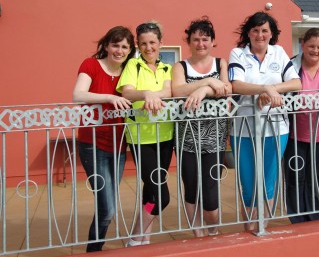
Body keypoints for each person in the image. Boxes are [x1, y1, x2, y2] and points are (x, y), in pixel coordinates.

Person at [228, 11, 301, 230]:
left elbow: (296, 83)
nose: (260, 35)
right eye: (255, 30)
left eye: (265, 30)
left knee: (268, 183)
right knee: (249, 184)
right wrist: (266, 89)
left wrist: (270, 90)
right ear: (248, 33)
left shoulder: (278, 53)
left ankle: (263, 227)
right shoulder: (238, 53)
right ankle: (250, 229)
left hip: (277, 128)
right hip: (243, 130)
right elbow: (236, 85)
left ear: (272, 34)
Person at [72, 26, 136, 252]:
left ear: (130, 51)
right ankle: (94, 250)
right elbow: (78, 94)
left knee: (104, 207)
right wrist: (109, 97)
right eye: (115, 45)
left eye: (125, 47)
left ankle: (94, 249)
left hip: (118, 145)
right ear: (107, 45)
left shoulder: (128, 72)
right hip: (93, 144)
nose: (119, 50)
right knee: (107, 208)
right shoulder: (91, 65)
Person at [116, 20, 175, 246]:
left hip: (166, 136)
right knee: (161, 195)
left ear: (161, 43)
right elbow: (128, 92)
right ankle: (135, 236)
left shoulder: (168, 68)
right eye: (143, 44)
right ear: (137, 46)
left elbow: (170, 91)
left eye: (152, 42)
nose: (148, 48)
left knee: (150, 192)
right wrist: (148, 93)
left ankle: (144, 239)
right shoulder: (133, 66)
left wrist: (153, 94)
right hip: (142, 137)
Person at [172, 16, 231, 237]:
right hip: (187, 138)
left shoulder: (220, 63)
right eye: (196, 39)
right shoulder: (180, 66)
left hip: (215, 137)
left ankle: (212, 229)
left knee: (210, 190)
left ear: (212, 41)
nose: (201, 44)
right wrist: (208, 82)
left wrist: (202, 90)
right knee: (191, 188)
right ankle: (198, 236)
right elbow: (177, 91)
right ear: (189, 41)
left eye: (205, 39)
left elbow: (226, 89)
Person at [285, 28, 319, 223]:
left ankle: (315, 215)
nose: (315, 51)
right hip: (295, 134)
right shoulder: (291, 67)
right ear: (303, 45)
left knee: (316, 176)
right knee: (295, 177)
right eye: (311, 46)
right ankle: (297, 217)